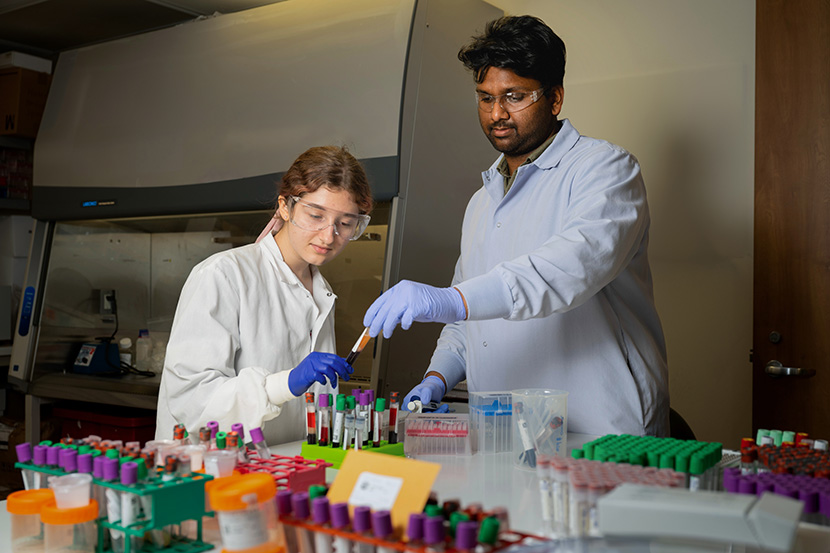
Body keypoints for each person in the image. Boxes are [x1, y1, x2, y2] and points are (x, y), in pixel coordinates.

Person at [363, 15, 669, 436]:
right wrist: (439, 376)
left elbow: (567, 270)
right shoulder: (481, 201)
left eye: (514, 96)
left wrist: (450, 299)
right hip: (504, 433)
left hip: (601, 427)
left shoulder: (606, 170)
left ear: (555, 98)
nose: (497, 113)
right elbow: (467, 320)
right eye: (485, 98)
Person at [156, 145, 374, 444]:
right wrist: (285, 383)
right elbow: (192, 402)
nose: (328, 236)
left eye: (346, 223)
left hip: (284, 470)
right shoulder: (225, 275)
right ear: (285, 207)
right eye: (315, 215)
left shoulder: (321, 292)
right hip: (217, 473)